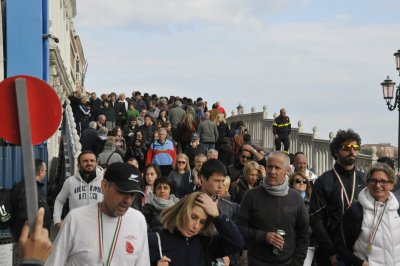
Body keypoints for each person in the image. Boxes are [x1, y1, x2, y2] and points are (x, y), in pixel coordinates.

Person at [46, 162, 150, 265]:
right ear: (104, 186)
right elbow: (54, 262)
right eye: (122, 191)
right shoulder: (75, 219)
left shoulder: (138, 220)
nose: (128, 200)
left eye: (132, 194)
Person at [238, 151, 309, 266]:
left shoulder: (295, 198)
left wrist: (297, 262)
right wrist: (264, 236)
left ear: (287, 170)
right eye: (269, 166)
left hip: (288, 262)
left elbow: (304, 234)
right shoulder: (251, 196)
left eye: (277, 168)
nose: (272, 171)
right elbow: (240, 228)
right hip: (257, 261)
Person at [309, 129, 366, 266]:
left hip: (359, 250)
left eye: (355, 147)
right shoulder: (324, 180)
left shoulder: (364, 179)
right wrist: (331, 251)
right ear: (336, 152)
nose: (352, 151)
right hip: (332, 252)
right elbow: (316, 219)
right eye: (346, 147)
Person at [148, 192, 244, 266]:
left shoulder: (206, 242)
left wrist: (218, 216)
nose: (196, 226)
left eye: (202, 222)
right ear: (182, 212)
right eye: (193, 217)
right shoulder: (155, 241)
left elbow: (237, 243)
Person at [336, 163, 400, 266]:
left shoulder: (397, 209)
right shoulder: (355, 211)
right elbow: (340, 245)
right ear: (367, 183)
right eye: (373, 180)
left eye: (383, 181)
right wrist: (361, 263)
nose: (378, 185)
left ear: (391, 184)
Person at [53, 151, 104, 231]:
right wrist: (57, 221)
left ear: (96, 164)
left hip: (98, 228)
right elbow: (59, 200)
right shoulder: (70, 181)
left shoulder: (104, 181)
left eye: (92, 160)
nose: (89, 163)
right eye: (85, 161)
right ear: (78, 166)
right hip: (75, 228)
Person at [11, 159, 51, 243]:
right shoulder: (28, 189)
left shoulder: (34, 187)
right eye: (45, 170)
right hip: (31, 243)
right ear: (40, 172)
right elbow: (26, 218)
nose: (45, 173)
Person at [289, 172, 315, 266]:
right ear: (291, 183)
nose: (301, 183)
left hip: (307, 244)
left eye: (304, 181)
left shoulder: (313, 202)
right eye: (298, 181)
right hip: (289, 243)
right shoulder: (286, 200)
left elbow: (315, 223)